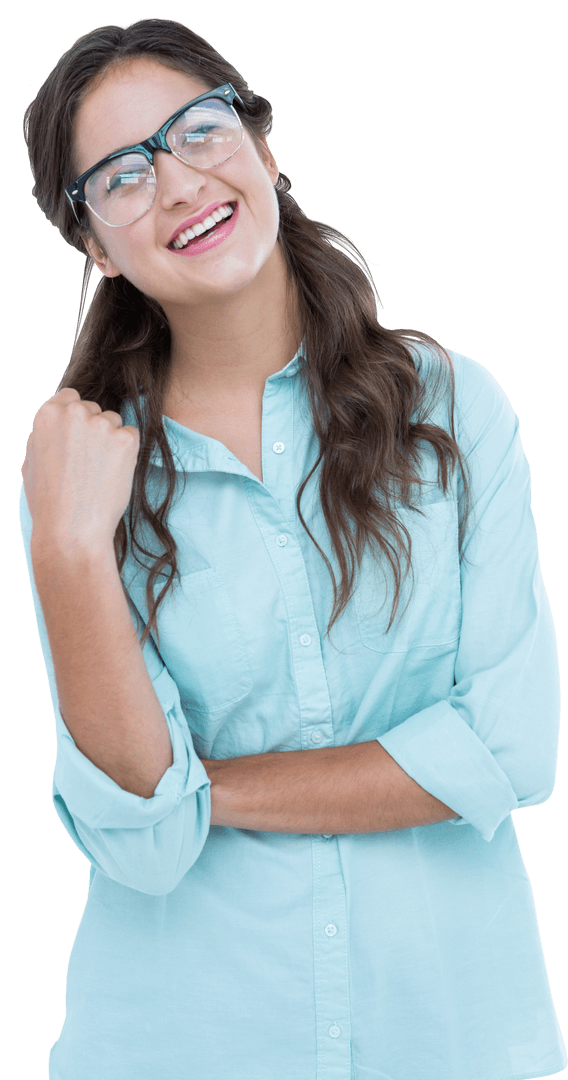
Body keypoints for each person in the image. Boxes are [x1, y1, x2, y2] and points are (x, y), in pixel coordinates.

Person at [19, 17, 566, 1080]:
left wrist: (197, 791)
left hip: (451, 1040)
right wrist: (70, 554)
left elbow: (510, 749)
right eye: (123, 175)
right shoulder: (80, 468)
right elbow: (138, 841)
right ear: (92, 243)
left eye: (199, 131)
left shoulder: (454, 407)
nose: (178, 184)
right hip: (178, 1047)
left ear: (263, 150)